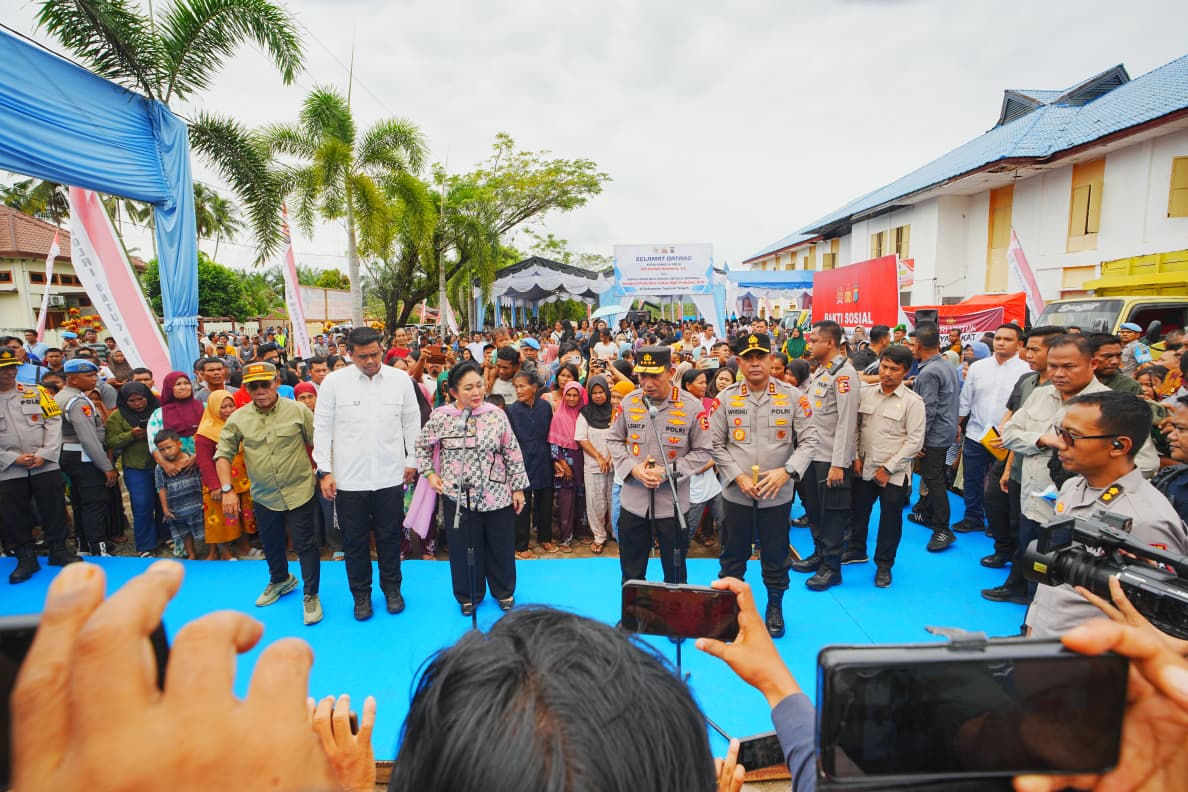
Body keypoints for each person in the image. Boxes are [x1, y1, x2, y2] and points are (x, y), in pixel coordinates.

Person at [991, 335, 1159, 606]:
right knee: (1033, 564)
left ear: (1092, 363)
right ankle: (1030, 624)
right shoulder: (1039, 393)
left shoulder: (1110, 406)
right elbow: (1009, 433)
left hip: (1081, 516)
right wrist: (1043, 440)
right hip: (1033, 502)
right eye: (1053, 365)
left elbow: (1148, 463)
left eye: (1068, 366)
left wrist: (1086, 463)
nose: (1058, 373)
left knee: (1065, 586)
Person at [1026, 391, 1188, 638]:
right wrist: (1033, 624)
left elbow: (1162, 617)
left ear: (1119, 445)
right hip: (1047, 636)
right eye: (1061, 433)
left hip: (1093, 661)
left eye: (1073, 437)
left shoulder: (1147, 518)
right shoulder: (1072, 487)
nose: (1060, 443)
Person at [711, 332, 817, 635]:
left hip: (777, 494)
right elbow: (716, 445)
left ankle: (774, 606)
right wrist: (738, 476)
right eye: (748, 358)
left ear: (772, 360)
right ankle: (730, 609)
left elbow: (809, 441)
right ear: (739, 362)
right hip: (736, 494)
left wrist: (787, 472)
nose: (755, 363)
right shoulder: (726, 399)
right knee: (732, 556)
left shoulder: (794, 397)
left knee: (775, 554)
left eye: (761, 357)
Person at [313, 327, 419, 621]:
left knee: (390, 537)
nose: (370, 361)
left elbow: (412, 423)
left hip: (390, 475)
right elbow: (321, 428)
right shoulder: (334, 383)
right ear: (350, 354)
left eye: (375, 354)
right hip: (349, 479)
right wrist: (325, 470)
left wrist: (413, 460)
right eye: (363, 357)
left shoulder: (399, 380)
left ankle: (392, 590)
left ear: (381, 349)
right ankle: (361, 595)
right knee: (355, 541)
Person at [416, 361, 528, 615]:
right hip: (458, 496)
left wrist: (518, 488)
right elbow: (422, 447)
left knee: (500, 545)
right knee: (463, 547)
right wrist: (431, 474)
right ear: (453, 392)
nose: (476, 392)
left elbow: (512, 451)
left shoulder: (496, 414)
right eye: (468, 388)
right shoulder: (441, 417)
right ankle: (468, 595)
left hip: (497, 493)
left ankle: (504, 591)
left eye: (479, 385)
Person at [215, 361, 323, 626]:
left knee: (305, 544)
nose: (260, 390)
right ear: (246, 388)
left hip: (300, 490)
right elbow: (223, 453)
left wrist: (325, 474)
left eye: (265, 384)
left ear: (276, 382)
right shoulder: (239, 418)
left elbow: (318, 445)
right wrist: (227, 489)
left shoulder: (299, 411)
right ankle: (280, 580)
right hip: (263, 494)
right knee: (271, 542)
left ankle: (311, 594)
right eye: (254, 386)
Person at [606, 346, 712, 585]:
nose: (647, 382)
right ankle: (632, 620)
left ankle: (672, 618)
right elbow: (613, 439)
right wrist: (633, 468)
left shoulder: (692, 407)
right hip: (634, 501)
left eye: (654, 375)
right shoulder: (630, 402)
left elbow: (703, 451)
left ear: (671, 371)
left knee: (674, 572)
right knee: (631, 571)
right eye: (642, 375)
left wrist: (668, 472)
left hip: (671, 504)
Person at [847, 345, 925, 586]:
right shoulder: (866, 393)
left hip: (894, 474)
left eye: (894, 369)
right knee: (858, 513)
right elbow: (856, 428)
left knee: (890, 520)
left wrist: (888, 468)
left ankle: (884, 565)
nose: (887, 373)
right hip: (864, 466)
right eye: (884, 366)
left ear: (905, 371)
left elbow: (915, 441)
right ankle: (856, 550)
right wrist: (856, 458)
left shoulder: (913, 402)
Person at [790, 320, 859, 591]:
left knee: (831, 514)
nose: (809, 345)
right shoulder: (822, 372)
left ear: (830, 342)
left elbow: (846, 422)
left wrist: (839, 464)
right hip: (812, 455)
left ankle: (832, 567)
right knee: (816, 512)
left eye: (814, 340)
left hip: (830, 458)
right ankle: (819, 555)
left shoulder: (844, 375)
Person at [0, 348, 78, 581]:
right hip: (9, 469)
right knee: (14, 514)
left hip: (44, 463)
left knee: (53, 507)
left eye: (13, 367)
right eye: (4, 369)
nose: (9, 372)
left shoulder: (37, 391)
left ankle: (59, 550)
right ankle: (25, 558)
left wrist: (45, 453)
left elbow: (53, 423)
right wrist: (12, 458)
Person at [955, 324, 1030, 535]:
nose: (1001, 343)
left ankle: (997, 523)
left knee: (1000, 484)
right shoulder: (978, 367)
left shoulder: (1026, 372)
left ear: (1020, 344)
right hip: (975, 433)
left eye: (1007, 339)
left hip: (1007, 439)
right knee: (972, 479)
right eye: (998, 338)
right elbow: (965, 400)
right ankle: (973, 518)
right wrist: (957, 425)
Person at [907, 323, 962, 551]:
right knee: (933, 477)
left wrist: (918, 440)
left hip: (934, 435)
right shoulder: (945, 364)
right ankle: (929, 515)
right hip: (945, 430)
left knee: (934, 479)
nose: (910, 349)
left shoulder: (929, 372)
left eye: (911, 345)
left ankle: (942, 529)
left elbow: (926, 409)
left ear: (918, 345)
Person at [55, 358, 116, 556]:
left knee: (80, 503)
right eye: (89, 376)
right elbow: (88, 439)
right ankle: (99, 549)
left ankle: (84, 547)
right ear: (73, 379)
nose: (94, 379)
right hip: (83, 458)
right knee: (94, 504)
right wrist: (107, 466)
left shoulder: (60, 397)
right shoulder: (77, 402)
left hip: (68, 455)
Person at [195, 390, 256, 561]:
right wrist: (214, 486)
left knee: (244, 516)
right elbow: (205, 462)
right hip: (219, 485)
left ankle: (245, 548)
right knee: (221, 520)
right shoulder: (205, 433)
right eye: (223, 407)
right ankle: (226, 553)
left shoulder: (239, 425)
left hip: (242, 482)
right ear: (213, 408)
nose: (229, 410)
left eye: (231, 405)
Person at [106, 382, 161, 557]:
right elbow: (111, 441)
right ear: (124, 401)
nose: (138, 404)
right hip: (135, 467)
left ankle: (165, 535)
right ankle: (145, 544)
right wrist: (131, 435)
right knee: (142, 504)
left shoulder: (158, 410)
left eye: (141, 399)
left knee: (163, 503)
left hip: (161, 464)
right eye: (132, 401)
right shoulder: (117, 416)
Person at [506, 370, 554, 558]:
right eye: (516, 387)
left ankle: (545, 537)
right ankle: (521, 545)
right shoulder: (511, 410)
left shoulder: (545, 407)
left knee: (545, 499)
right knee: (522, 503)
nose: (518, 390)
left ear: (534, 387)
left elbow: (550, 433)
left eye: (522, 386)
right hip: (521, 460)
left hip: (543, 458)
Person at [575, 374, 614, 554]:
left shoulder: (615, 410)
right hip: (593, 465)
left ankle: (616, 532)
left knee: (615, 501)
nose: (598, 395)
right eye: (595, 392)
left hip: (615, 465)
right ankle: (599, 536)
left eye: (601, 392)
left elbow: (623, 435)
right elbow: (581, 438)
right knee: (595, 502)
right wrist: (598, 457)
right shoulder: (585, 413)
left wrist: (612, 457)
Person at [153, 429, 206, 560]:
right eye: (162, 450)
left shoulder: (192, 460)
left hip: (196, 503)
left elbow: (203, 480)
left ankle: (212, 552)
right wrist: (165, 509)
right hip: (176, 507)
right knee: (184, 532)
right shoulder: (160, 468)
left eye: (169, 447)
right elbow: (161, 488)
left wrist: (205, 500)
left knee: (205, 527)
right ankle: (191, 553)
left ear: (179, 444)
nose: (166, 452)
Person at [549, 381, 587, 553]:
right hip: (566, 464)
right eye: (569, 395)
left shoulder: (584, 414)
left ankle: (581, 532)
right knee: (566, 501)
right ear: (564, 396)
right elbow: (554, 445)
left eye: (575, 395)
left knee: (582, 499)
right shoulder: (559, 416)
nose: (572, 398)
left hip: (583, 461)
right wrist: (564, 463)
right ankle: (565, 538)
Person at [147, 372, 203, 471]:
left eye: (186, 383)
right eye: (178, 384)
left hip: (204, 461)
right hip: (174, 466)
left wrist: (198, 456)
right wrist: (165, 465)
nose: (183, 387)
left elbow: (214, 435)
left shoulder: (204, 408)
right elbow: (153, 444)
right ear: (169, 388)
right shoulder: (159, 414)